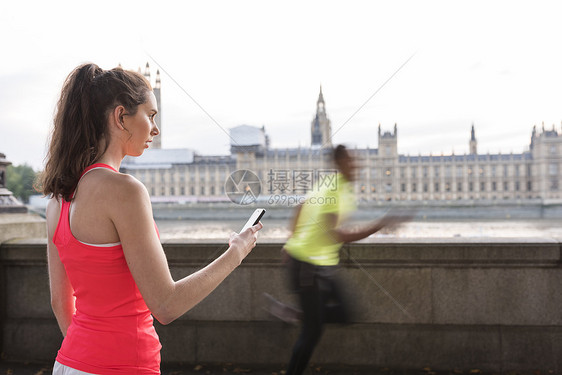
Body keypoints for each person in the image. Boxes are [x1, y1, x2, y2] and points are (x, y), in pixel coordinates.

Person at [40, 63, 262, 375]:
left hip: (69, 363)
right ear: (120, 117)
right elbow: (167, 305)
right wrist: (236, 252)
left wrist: (87, 356)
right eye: (150, 115)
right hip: (123, 366)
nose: (155, 129)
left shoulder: (57, 198)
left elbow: (60, 303)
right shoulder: (125, 191)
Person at [273, 145, 409, 375]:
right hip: (307, 265)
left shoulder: (332, 185)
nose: (357, 165)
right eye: (351, 161)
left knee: (347, 313)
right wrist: (379, 225)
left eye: (356, 160)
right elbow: (333, 234)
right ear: (340, 163)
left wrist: (291, 239)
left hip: (322, 264)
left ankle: (297, 314)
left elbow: (301, 206)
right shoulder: (333, 192)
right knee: (312, 332)